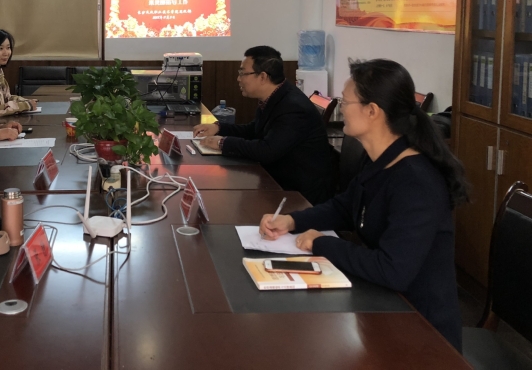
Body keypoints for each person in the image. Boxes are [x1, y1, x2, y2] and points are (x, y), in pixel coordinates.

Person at [259, 59, 469, 351]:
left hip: (421, 331)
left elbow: (392, 270)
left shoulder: (416, 181)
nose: (342, 108)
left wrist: (321, 242)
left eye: (346, 101)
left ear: (372, 111)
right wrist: (293, 221)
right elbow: (346, 207)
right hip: (381, 307)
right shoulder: (380, 161)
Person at [193, 46, 334, 204]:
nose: (238, 79)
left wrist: (223, 143)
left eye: (243, 73)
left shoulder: (293, 107)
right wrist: (219, 128)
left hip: (298, 195)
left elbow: (266, 151)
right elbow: (254, 130)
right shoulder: (275, 96)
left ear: (262, 77)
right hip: (276, 181)